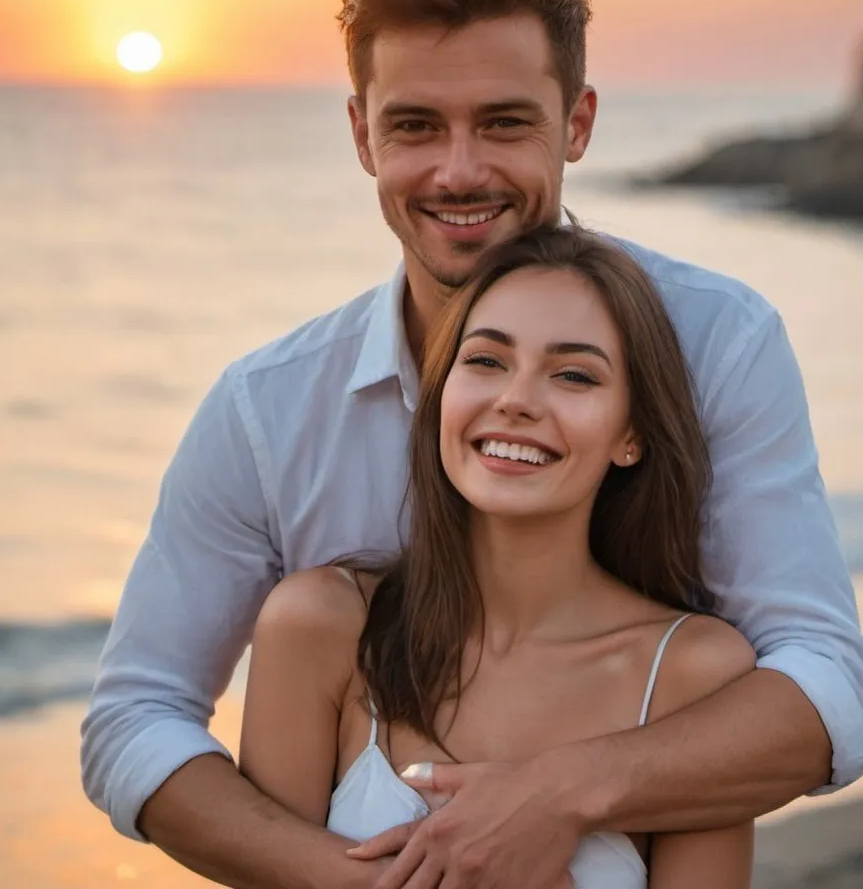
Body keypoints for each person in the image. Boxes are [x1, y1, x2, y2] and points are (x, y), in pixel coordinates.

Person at [80, 0, 863, 889]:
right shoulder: (270, 413)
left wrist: (559, 793)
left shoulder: (716, 342)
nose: (459, 172)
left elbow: (825, 685)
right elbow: (133, 718)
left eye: (504, 121)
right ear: (361, 135)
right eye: (414, 124)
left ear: (576, 122)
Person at [240, 225, 757, 889]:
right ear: (440, 394)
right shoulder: (320, 628)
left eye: (573, 374)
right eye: (485, 361)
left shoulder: (694, 674)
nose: (515, 400)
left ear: (630, 434)